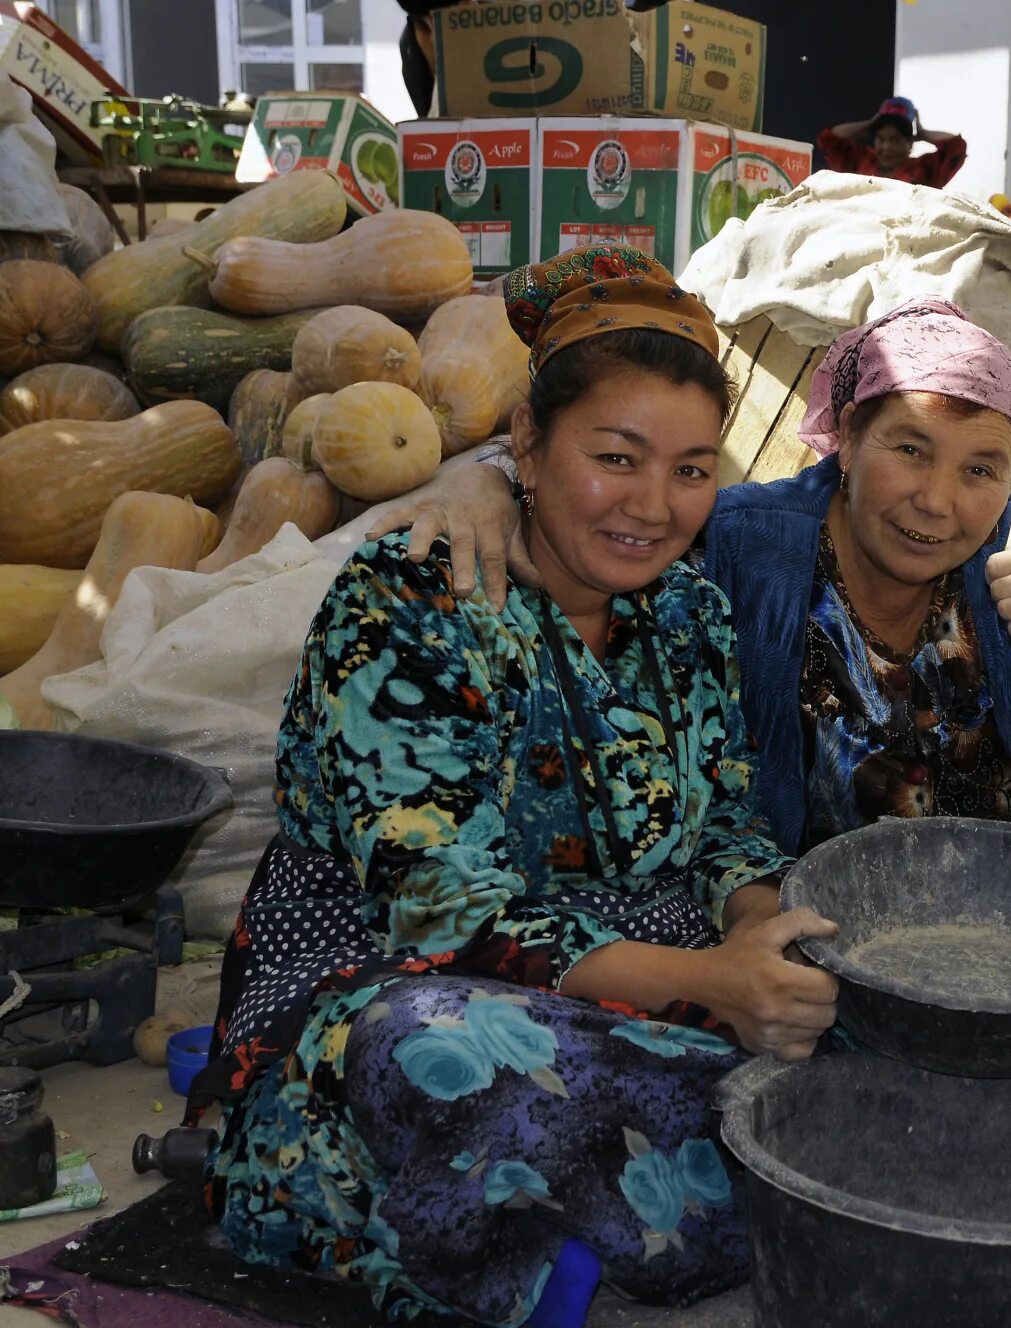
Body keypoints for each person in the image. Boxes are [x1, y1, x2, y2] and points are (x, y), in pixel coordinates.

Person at [198, 246, 838, 1328]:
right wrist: (715, 984)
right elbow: (441, 905)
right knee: (451, 1054)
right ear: (528, 448)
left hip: (655, 989)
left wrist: (761, 936)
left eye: (691, 468)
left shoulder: (688, 613)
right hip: (398, 984)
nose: (654, 504)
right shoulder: (406, 597)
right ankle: (710, 1185)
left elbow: (727, 818)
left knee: (852, 1006)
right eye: (617, 457)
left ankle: (651, 1198)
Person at [371, 299, 1011, 1007]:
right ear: (846, 438)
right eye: (910, 449)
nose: (940, 500)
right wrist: (488, 482)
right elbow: (602, 504)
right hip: (852, 909)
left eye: (980, 467)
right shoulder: (738, 544)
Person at [818, 96, 968, 188]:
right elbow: (829, 141)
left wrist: (922, 133)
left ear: (910, 142)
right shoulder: (861, 161)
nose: (886, 147)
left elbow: (956, 147)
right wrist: (870, 123)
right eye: (880, 139)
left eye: (895, 140)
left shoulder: (924, 170)